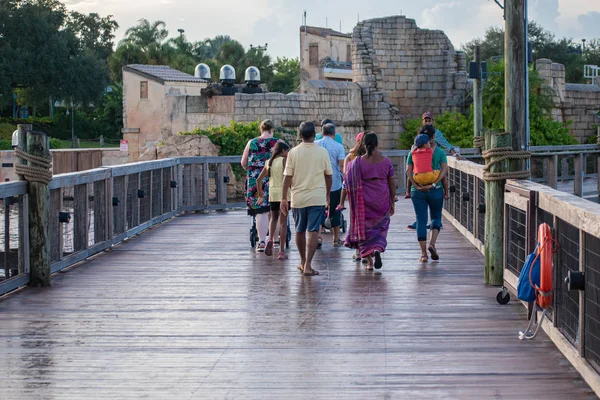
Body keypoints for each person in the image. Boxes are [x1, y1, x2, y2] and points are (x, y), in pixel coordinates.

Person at [281, 121, 332, 276]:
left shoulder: (293, 153)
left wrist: (284, 198)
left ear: (300, 135)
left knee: (299, 230)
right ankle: (308, 265)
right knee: (313, 230)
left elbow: (287, 178)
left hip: (298, 197)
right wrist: (328, 194)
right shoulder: (322, 152)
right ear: (313, 134)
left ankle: (303, 261)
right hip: (317, 197)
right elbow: (329, 175)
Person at [344, 132, 396, 270]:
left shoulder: (357, 162)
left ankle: (369, 261)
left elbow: (347, 180)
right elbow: (391, 183)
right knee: (381, 226)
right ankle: (377, 248)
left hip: (364, 199)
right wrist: (392, 201)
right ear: (377, 144)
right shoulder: (386, 161)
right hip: (382, 197)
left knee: (364, 228)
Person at [407, 131, 449, 262]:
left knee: (420, 220)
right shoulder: (439, 152)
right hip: (435, 189)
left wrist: (416, 186)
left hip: (417, 190)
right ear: (431, 139)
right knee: (436, 217)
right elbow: (444, 172)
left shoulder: (412, 153)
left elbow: (408, 172)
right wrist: (433, 184)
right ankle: (432, 244)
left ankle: (423, 254)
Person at [241, 119, 280, 252]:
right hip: (273, 178)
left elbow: (243, 162)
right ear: (272, 129)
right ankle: (275, 241)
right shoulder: (278, 143)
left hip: (255, 179)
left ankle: (262, 241)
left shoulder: (252, 142)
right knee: (274, 210)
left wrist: (251, 171)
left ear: (261, 129)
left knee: (260, 211)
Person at [257, 141, 290, 259]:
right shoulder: (284, 161)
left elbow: (258, 180)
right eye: (287, 151)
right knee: (283, 222)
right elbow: (289, 178)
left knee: (273, 218)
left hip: (272, 194)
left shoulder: (268, 163)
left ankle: (270, 238)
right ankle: (281, 251)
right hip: (284, 195)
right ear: (282, 151)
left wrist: (261, 196)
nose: (288, 154)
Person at [316, 123, 346, 247]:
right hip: (335, 183)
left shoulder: (316, 145)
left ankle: (318, 236)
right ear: (333, 133)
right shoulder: (338, 146)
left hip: (318, 183)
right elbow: (341, 165)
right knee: (336, 209)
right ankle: (336, 238)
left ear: (322, 133)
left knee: (318, 210)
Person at [338, 131, 366, 262]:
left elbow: (346, 176)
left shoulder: (350, 156)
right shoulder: (372, 156)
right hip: (369, 192)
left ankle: (358, 251)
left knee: (356, 221)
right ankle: (369, 249)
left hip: (355, 193)